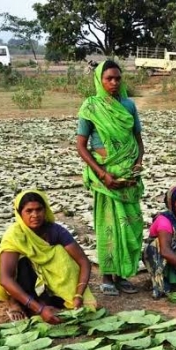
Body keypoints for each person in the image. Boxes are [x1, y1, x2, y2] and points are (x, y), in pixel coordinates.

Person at [76, 60, 144, 296]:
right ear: (99, 80)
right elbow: (81, 146)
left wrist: (137, 165)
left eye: (117, 78)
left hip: (129, 176)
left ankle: (123, 275)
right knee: (108, 227)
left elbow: (138, 140)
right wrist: (102, 173)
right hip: (105, 176)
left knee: (131, 225)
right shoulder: (91, 107)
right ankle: (107, 275)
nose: (114, 82)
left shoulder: (128, 105)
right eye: (109, 79)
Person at [0, 189, 96, 323]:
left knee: (60, 252)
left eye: (39, 209)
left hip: (43, 278)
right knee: (22, 260)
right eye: (29, 211)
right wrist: (40, 309)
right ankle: (15, 301)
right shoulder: (14, 235)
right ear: (20, 213)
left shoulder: (55, 230)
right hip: (17, 280)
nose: (35, 215)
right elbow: (5, 279)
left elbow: (83, 262)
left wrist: (79, 294)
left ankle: (44, 299)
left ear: (45, 210)